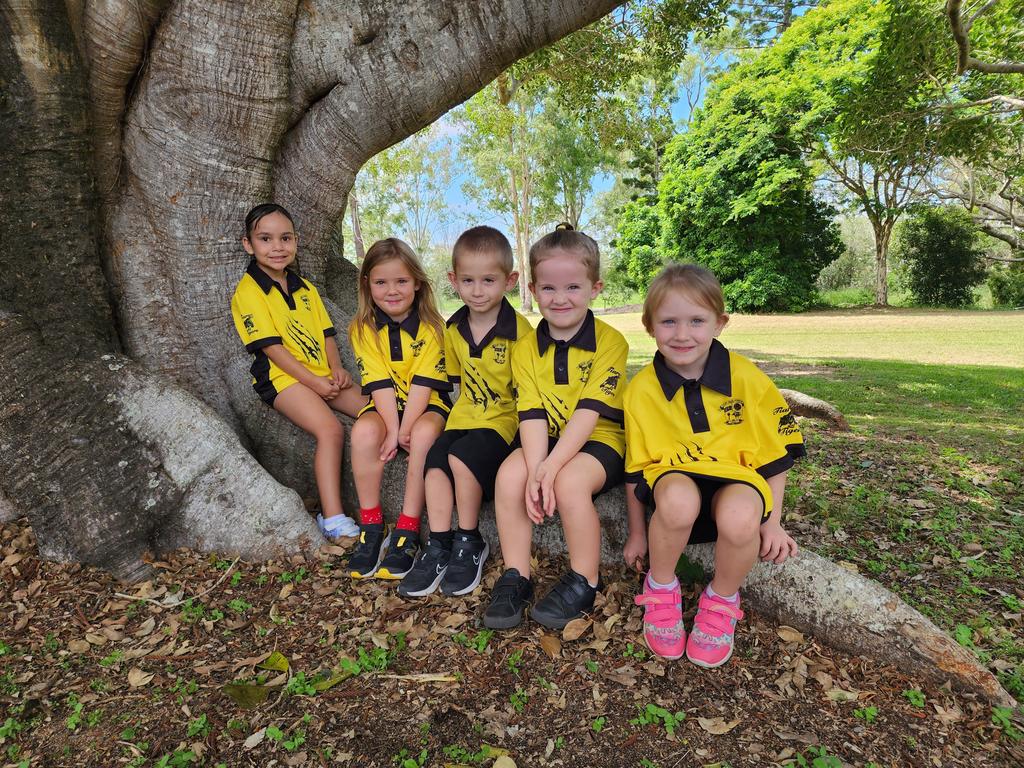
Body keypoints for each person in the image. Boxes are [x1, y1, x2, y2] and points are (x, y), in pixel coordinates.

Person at [623, 263, 805, 667]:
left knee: (743, 517)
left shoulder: (747, 378)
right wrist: (637, 533)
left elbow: (777, 456)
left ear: (720, 323)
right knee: (677, 500)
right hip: (674, 484)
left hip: (736, 481)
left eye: (696, 321)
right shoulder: (640, 391)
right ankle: (661, 587)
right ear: (649, 326)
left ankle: (721, 600)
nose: (682, 334)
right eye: (668, 321)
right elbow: (635, 469)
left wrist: (772, 521)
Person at [483, 225, 628, 631]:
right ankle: (517, 576)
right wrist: (534, 470)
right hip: (545, 436)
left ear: (595, 287)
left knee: (567, 483)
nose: (560, 298)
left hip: (601, 437)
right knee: (510, 475)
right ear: (532, 288)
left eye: (573, 288)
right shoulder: (526, 346)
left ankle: (586, 579)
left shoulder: (611, 342)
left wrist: (549, 471)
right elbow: (530, 414)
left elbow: (588, 413)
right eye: (548, 288)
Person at [398, 226, 532, 598]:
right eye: (468, 280)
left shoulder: (520, 333)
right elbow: (456, 382)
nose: (478, 290)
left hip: (504, 423)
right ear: (453, 281)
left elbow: (526, 394)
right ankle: (439, 543)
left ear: (510, 280)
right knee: (436, 458)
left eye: (489, 280)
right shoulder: (453, 329)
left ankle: (469, 540)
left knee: (461, 456)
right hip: (464, 416)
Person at [230, 203, 366, 539]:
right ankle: (332, 518)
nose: (277, 247)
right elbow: (272, 349)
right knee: (331, 430)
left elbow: (327, 335)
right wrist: (315, 383)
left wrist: (335, 371)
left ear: (296, 241)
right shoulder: (248, 292)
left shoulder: (305, 288)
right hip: (282, 379)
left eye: (285, 238)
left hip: (321, 374)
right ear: (248, 244)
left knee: (374, 409)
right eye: (265, 239)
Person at [346, 238, 451, 579]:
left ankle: (406, 531)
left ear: (417, 283)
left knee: (421, 436)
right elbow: (379, 385)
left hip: (428, 405)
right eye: (381, 282)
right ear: (367, 284)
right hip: (385, 404)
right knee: (363, 431)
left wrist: (403, 432)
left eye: (401, 281)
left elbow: (423, 386)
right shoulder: (362, 328)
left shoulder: (434, 327)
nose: (392, 290)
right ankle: (372, 527)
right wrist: (390, 430)